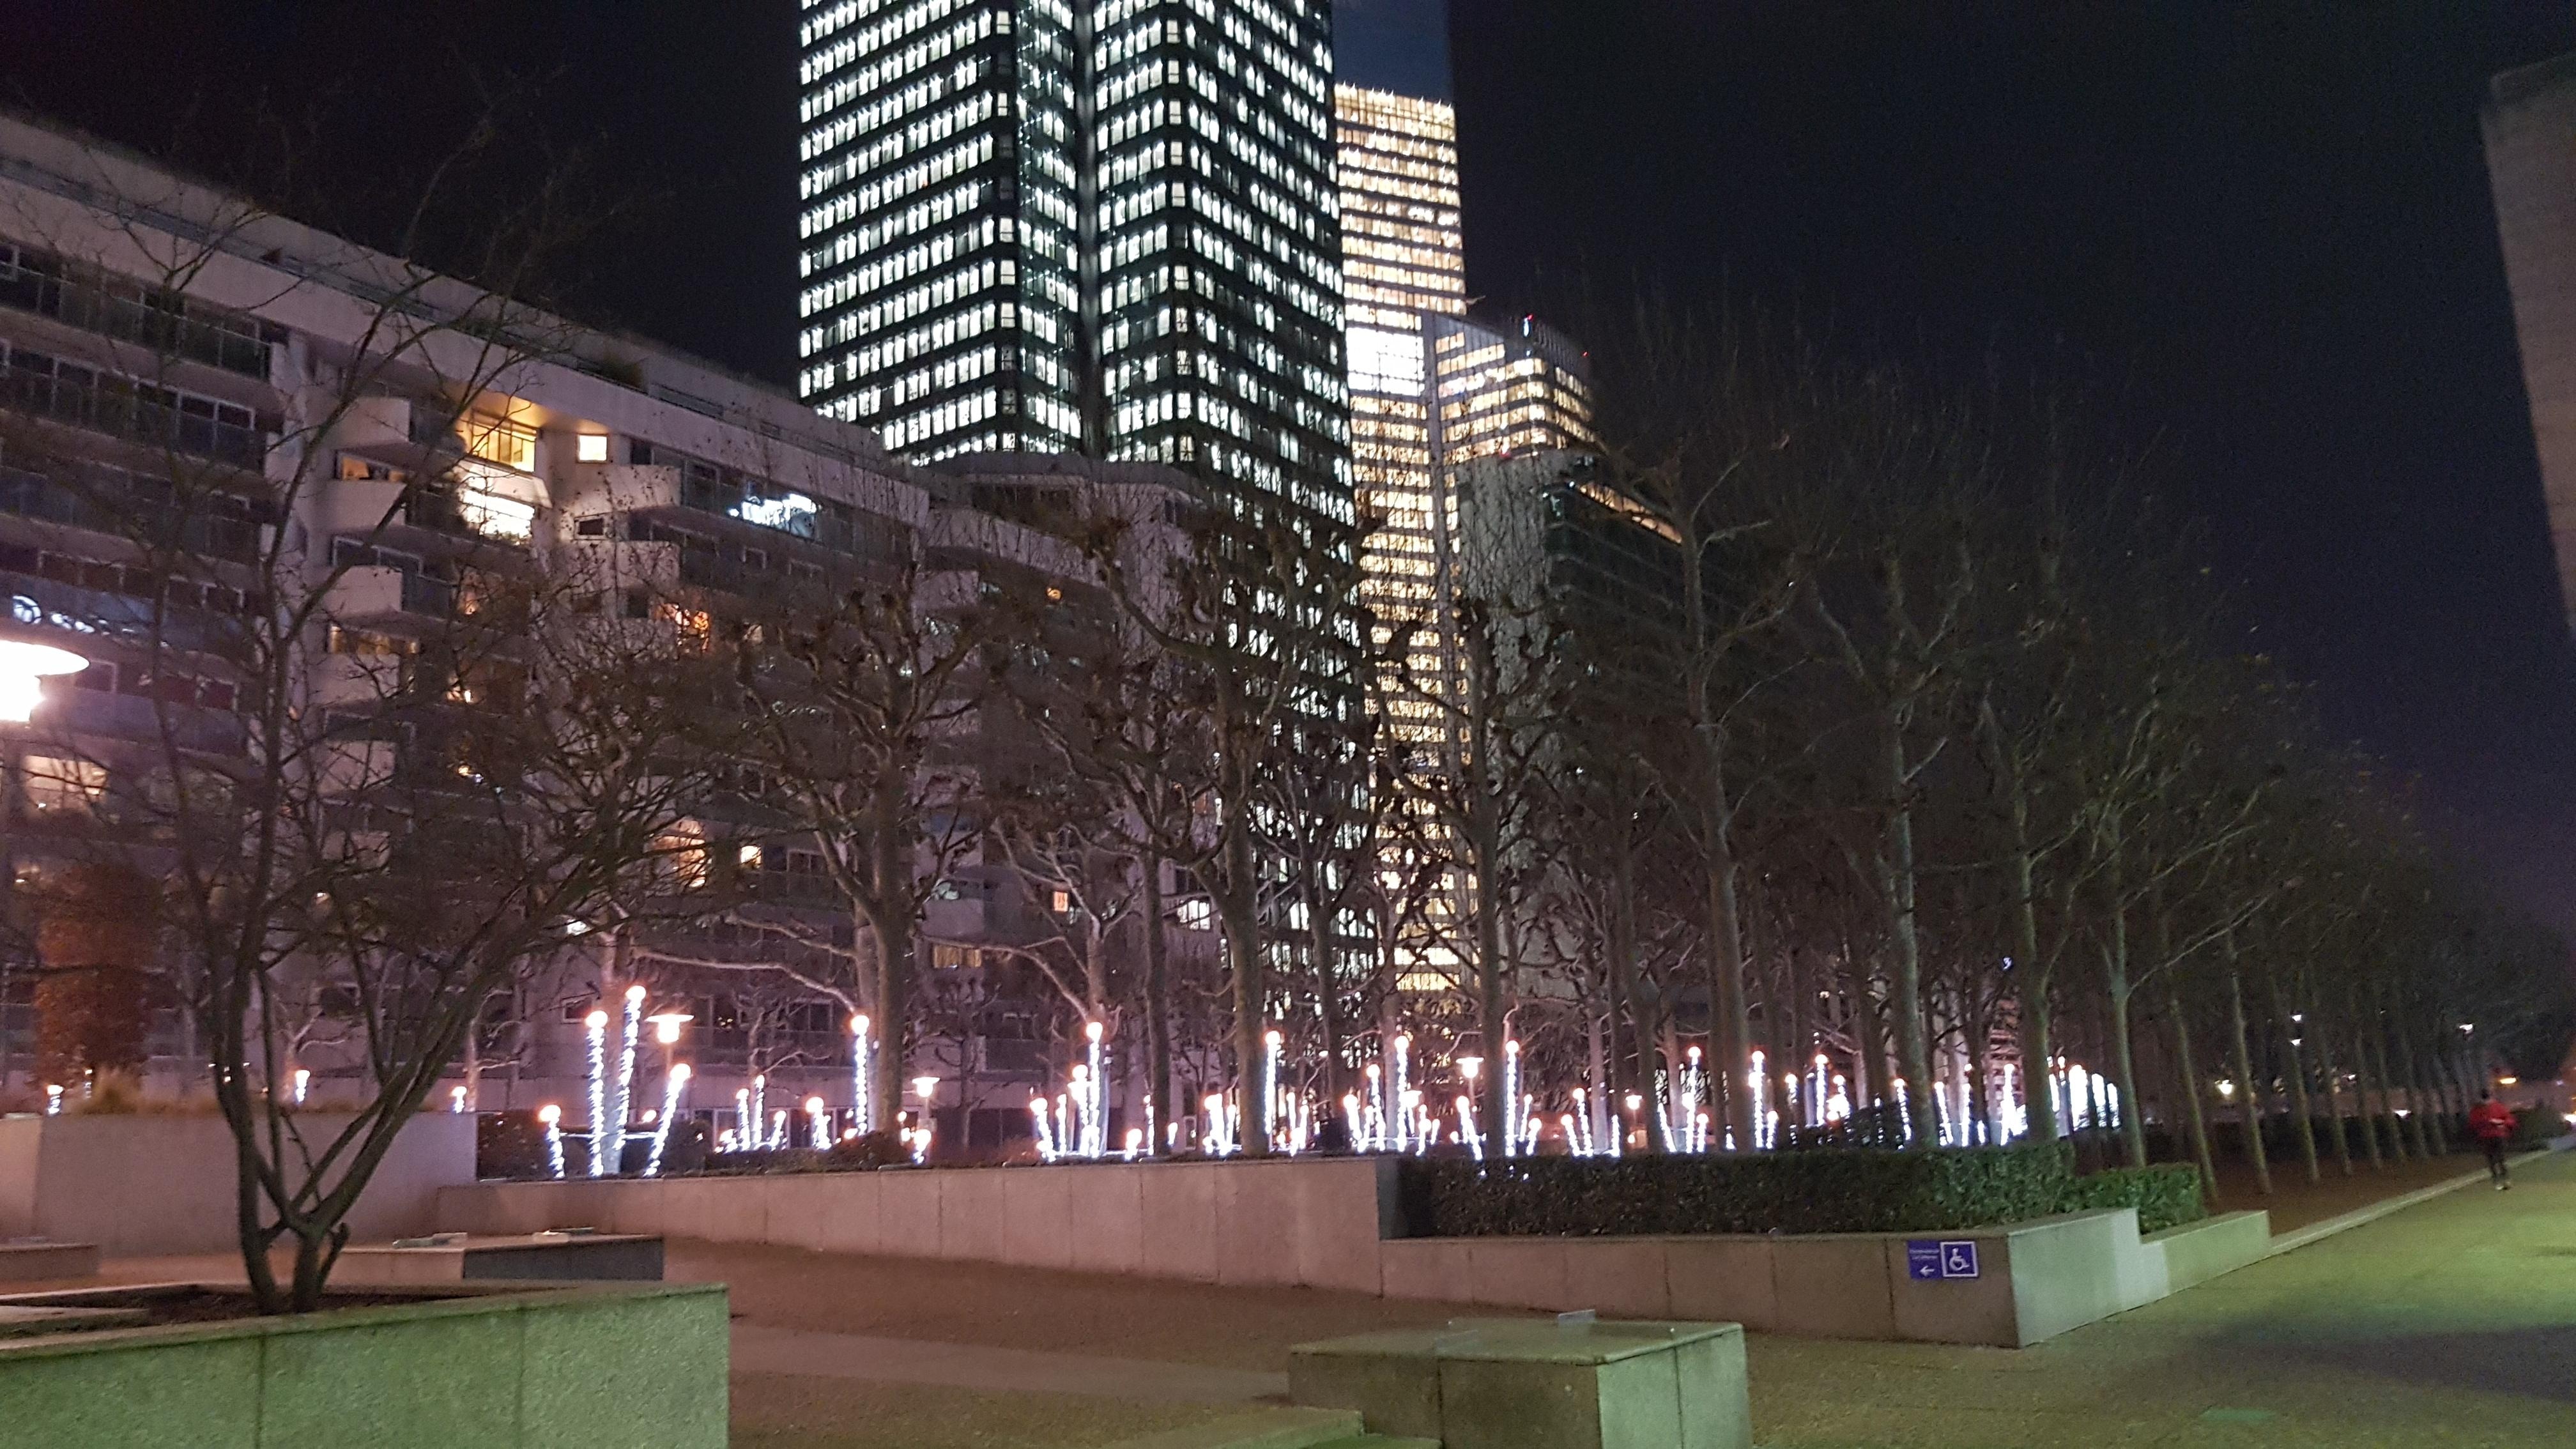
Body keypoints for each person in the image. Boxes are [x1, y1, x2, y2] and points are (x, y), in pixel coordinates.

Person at [2469, 1089, 2518, 1190]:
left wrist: (2502, 1123)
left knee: (2498, 1159)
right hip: (2489, 1136)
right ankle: (2501, 1180)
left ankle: (2502, 1180)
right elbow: (2473, 1123)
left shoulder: (2493, 1107)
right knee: (2495, 1160)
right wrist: (2492, 1123)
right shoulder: (2483, 1108)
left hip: (2495, 1136)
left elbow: (2510, 1120)